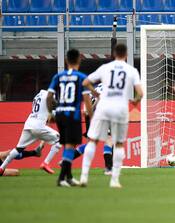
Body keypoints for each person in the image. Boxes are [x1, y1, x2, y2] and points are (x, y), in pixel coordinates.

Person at [80, 43, 143, 188]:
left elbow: (86, 82)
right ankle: (114, 180)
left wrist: (95, 93)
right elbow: (140, 93)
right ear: (126, 55)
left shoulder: (105, 68)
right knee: (119, 143)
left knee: (93, 141)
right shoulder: (131, 70)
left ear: (114, 54)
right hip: (120, 108)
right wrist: (135, 101)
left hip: (104, 106)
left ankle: (84, 177)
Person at [47, 49, 93, 187]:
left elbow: (49, 97)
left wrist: (50, 112)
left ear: (66, 61)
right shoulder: (81, 77)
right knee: (70, 145)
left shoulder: (58, 76)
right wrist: (92, 116)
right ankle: (61, 179)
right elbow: (87, 99)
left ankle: (69, 177)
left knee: (68, 144)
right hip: (72, 114)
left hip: (60, 113)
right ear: (79, 60)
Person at [0, 89, 61, 176]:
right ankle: (46, 163)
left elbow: (46, 111)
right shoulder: (50, 94)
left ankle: (2, 168)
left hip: (28, 124)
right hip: (38, 126)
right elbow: (53, 106)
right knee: (59, 140)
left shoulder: (37, 96)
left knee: (18, 149)